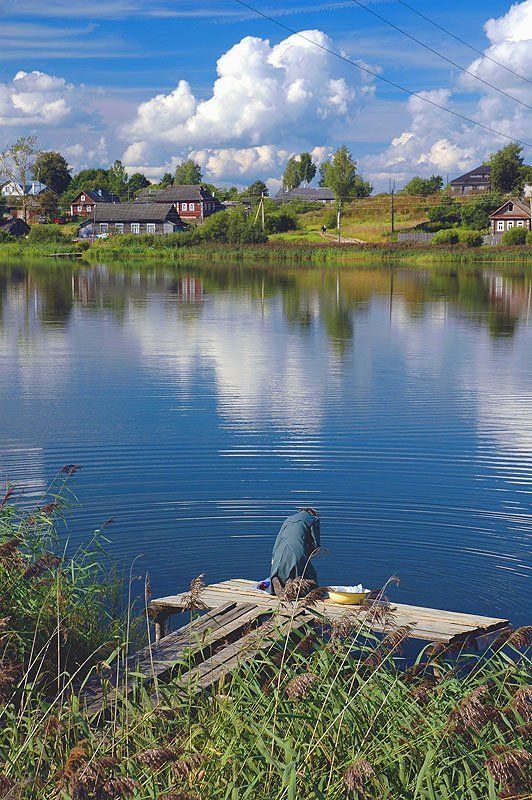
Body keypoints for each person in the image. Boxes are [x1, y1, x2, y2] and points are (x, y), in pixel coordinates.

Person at [269, 508, 321, 597]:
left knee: (280, 569)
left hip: (279, 551)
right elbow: (316, 542)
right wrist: (314, 550)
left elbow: (278, 540)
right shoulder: (313, 519)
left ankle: (278, 581)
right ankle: (296, 591)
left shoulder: (288, 520)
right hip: (298, 550)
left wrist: (274, 556)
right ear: (313, 514)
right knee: (309, 576)